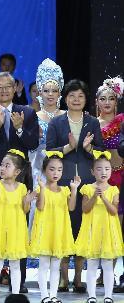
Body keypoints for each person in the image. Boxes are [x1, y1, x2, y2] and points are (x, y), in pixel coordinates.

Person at [0, 71, 40, 294]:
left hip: (20, 180)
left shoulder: (28, 113)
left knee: (18, 228)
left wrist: (20, 128)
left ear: (15, 89)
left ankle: (17, 280)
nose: (3, 90)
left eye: (8, 86)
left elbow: (32, 144)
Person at [45, 78, 104, 294]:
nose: (76, 99)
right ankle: (62, 278)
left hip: (87, 183)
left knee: (82, 228)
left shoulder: (93, 122)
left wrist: (89, 150)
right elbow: (49, 152)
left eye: (80, 96)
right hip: (62, 183)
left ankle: (79, 278)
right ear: (65, 99)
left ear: (86, 99)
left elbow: (102, 153)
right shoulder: (56, 123)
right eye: (72, 96)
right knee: (64, 227)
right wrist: (69, 147)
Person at [0, 150, 33, 302]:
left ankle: (15, 295)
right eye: (2, 165)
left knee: (15, 264)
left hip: (15, 230)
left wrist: (27, 201)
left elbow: (25, 210)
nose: (2, 168)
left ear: (17, 171)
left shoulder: (22, 188)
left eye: (7, 165)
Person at [74, 151, 124, 303]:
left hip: (108, 230)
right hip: (92, 230)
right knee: (92, 264)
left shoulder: (114, 189)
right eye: (100, 169)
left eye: (107, 169)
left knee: (108, 264)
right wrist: (95, 196)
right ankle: (92, 296)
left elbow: (114, 211)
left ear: (111, 170)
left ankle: (108, 295)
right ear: (92, 171)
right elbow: (85, 209)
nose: (104, 172)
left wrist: (104, 198)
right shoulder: (88, 188)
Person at [30, 151, 78, 303]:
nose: (56, 172)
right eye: (52, 169)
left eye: (59, 169)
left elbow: (71, 207)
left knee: (56, 265)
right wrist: (42, 189)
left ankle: (53, 295)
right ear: (44, 170)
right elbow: (41, 206)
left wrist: (75, 189)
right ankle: (44, 295)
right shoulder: (40, 189)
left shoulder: (64, 190)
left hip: (59, 232)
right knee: (44, 264)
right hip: (45, 231)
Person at [34, 59, 66, 184]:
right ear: (40, 93)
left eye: (54, 91)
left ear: (59, 93)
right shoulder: (33, 117)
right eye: (46, 91)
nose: (50, 94)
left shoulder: (67, 116)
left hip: (64, 168)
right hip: (39, 168)